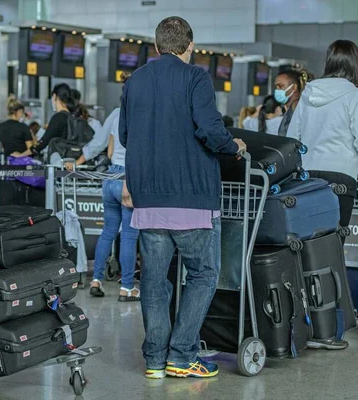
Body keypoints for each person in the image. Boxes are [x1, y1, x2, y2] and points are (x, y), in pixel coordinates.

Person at [120, 16, 245, 379]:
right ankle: (182, 352)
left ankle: (155, 360)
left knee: (155, 281)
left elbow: (126, 135)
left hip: (149, 202)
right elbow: (209, 128)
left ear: (157, 46)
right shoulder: (196, 77)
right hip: (191, 199)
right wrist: (231, 144)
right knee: (204, 274)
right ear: (189, 46)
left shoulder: (135, 80)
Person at [287, 40, 358, 351]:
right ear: (355, 63)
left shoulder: (311, 91)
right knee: (332, 251)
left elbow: (293, 138)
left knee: (306, 249)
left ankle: (305, 324)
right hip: (341, 180)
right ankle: (329, 330)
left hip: (309, 179)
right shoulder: (356, 97)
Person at [77, 73, 139, 301]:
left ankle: (97, 280)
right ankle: (127, 287)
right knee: (130, 236)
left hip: (110, 177)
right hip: (127, 179)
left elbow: (109, 151)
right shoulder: (141, 115)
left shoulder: (116, 113)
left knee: (108, 232)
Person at [31, 83, 76, 158]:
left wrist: (22, 155)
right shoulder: (73, 117)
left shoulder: (58, 118)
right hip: (73, 160)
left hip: (59, 161)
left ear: (55, 96)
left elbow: (43, 142)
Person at [275, 67, 311, 136]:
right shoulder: (290, 109)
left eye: (280, 86)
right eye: (276, 86)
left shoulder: (297, 106)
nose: (277, 90)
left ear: (294, 87)